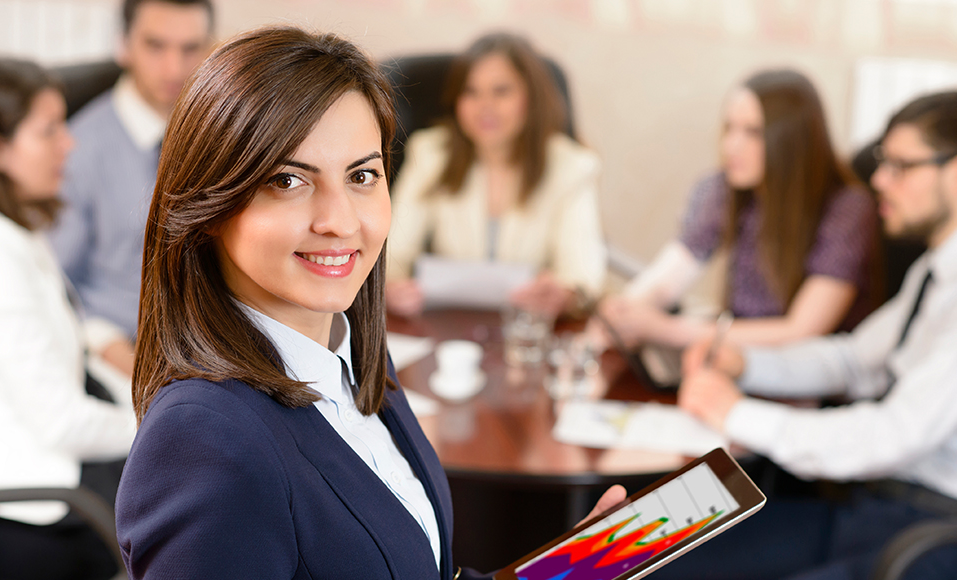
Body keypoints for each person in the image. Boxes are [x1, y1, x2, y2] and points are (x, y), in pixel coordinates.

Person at [114, 26, 624, 579]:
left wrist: (564, 573)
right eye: (288, 180)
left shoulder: (353, 361)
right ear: (209, 204)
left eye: (362, 175)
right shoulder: (205, 443)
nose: (341, 221)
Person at [661, 91, 957, 580]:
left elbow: (893, 435)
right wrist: (746, 363)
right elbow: (853, 362)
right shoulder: (935, 269)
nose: (880, 180)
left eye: (902, 166)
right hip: (869, 507)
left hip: (925, 533)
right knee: (638, 538)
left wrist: (736, 412)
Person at [0, 57, 136, 580]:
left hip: (59, 476)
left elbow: (53, 338)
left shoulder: (11, 231)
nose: (69, 144)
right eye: (49, 131)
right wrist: (162, 420)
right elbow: (61, 421)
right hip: (33, 514)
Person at [596, 69, 878, 349]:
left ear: (793, 140)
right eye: (729, 128)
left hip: (805, 379)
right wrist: (625, 313)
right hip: (734, 360)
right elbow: (667, 278)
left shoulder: (848, 209)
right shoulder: (722, 190)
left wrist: (666, 329)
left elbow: (801, 330)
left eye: (753, 132)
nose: (731, 145)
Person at [385, 32, 606, 319]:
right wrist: (392, 287)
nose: (484, 106)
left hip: (528, 328)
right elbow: (393, 254)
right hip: (448, 327)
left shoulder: (572, 167)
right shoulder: (431, 154)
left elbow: (582, 274)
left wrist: (563, 296)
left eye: (501, 91)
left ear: (531, 98)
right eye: (471, 92)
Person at [49, 0, 214, 377]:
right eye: (155, 46)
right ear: (123, 45)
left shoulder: (222, 134)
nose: (174, 68)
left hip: (215, 341)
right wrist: (115, 352)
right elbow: (56, 286)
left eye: (190, 49)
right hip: (127, 354)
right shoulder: (77, 152)